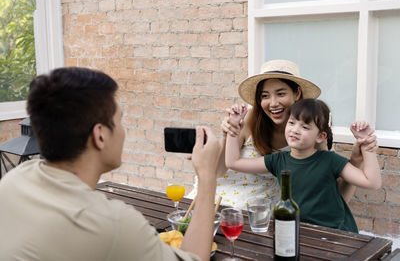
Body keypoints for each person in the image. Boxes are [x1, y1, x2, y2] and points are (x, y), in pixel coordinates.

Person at [0, 67, 222, 261]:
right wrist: (207, 175)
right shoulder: (113, 223)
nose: (123, 131)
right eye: (120, 121)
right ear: (100, 135)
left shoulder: (13, 181)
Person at [188, 59, 377, 209]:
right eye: (264, 96)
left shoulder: (313, 128)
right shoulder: (248, 118)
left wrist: (357, 160)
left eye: (280, 93)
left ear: (296, 93)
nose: (272, 103)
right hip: (223, 192)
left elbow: (332, 193)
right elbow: (219, 171)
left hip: (263, 203)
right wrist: (228, 134)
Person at [225, 98, 381, 232]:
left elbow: (372, 182)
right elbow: (233, 162)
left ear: (320, 136)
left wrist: (367, 146)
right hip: (300, 232)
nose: (295, 130)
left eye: (305, 127)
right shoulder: (278, 160)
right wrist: (234, 128)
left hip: (336, 233)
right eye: (291, 123)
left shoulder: (330, 160)